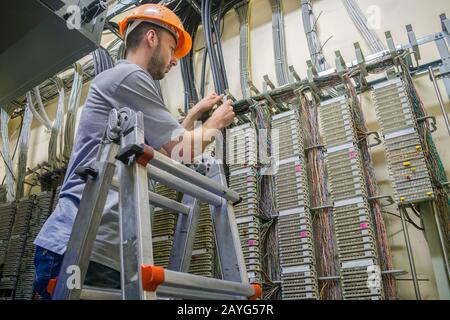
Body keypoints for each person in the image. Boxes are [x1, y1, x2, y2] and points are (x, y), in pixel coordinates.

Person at [33, 3, 235, 299]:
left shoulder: (127, 84)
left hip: (98, 248)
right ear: (151, 38)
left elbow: (163, 153)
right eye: (171, 47)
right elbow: (181, 151)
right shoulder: (130, 77)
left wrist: (193, 115)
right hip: (80, 245)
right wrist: (217, 123)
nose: (174, 61)